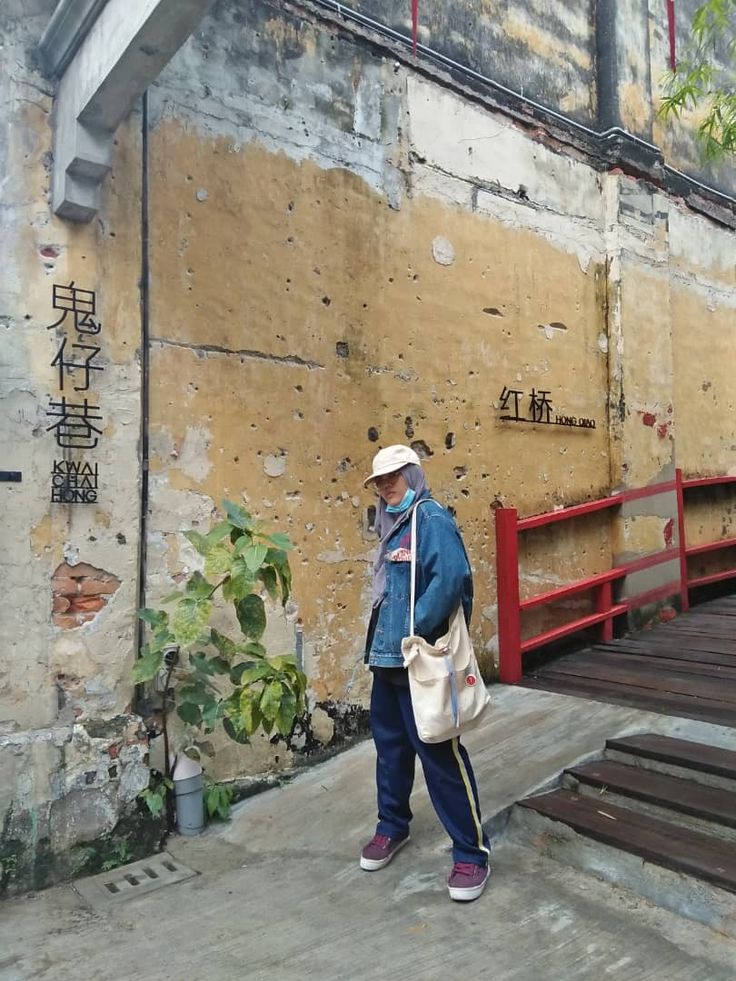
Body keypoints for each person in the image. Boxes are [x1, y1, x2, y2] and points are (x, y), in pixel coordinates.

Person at [360, 444, 490, 902]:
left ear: (413, 475)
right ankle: (391, 826)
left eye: (394, 475)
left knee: (440, 756)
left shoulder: (430, 518)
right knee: (390, 753)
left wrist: (417, 629)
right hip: (385, 660)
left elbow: (452, 577)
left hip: (418, 661)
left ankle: (472, 854)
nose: (386, 484)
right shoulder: (390, 524)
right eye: (379, 479)